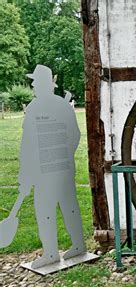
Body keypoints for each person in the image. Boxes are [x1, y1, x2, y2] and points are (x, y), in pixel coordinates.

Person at [19, 65, 86, 268]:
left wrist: (29, 168)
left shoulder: (35, 107)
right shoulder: (60, 105)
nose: (33, 86)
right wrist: (65, 156)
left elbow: (27, 143)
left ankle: (52, 253)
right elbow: (74, 135)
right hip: (61, 166)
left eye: (36, 82)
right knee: (68, 205)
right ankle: (76, 245)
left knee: (47, 207)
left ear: (45, 84)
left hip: (49, 169)